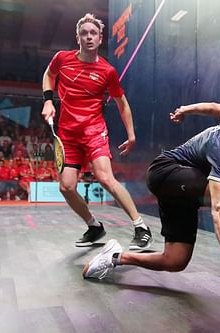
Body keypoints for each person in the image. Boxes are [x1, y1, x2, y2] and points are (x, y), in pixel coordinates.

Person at [83, 90, 220, 313]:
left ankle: (115, 257)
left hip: (186, 184)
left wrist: (186, 110)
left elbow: (214, 107)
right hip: (167, 172)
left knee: (175, 260)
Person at [41, 13, 152, 250]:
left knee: (105, 177)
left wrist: (131, 135)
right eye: (84, 33)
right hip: (67, 135)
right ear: (77, 37)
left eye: (93, 33)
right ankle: (94, 226)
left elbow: (123, 104)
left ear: (100, 38)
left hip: (93, 131)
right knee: (66, 187)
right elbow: (49, 75)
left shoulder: (107, 71)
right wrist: (48, 101)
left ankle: (141, 227)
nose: (89, 37)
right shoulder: (62, 59)